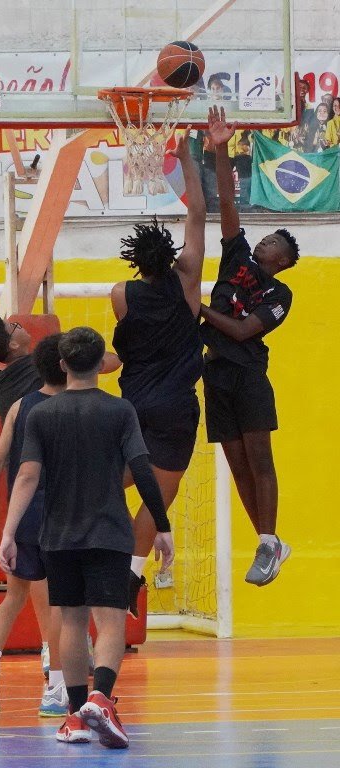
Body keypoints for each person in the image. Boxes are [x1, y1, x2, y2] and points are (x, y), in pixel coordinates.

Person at [0, 327, 174, 750]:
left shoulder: (39, 415)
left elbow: (26, 475)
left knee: (73, 621)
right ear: (101, 365)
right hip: (109, 532)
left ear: (62, 364)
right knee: (109, 620)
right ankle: (102, 697)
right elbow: (143, 469)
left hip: (57, 536)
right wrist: (162, 526)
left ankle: (76, 716)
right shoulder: (120, 411)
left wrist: (8, 531)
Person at [200, 106, 299, 586]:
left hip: (248, 376)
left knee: (260, 459)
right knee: (236, 464)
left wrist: (198, 310)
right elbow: (226, 201)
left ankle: (269, 538)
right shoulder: (235, 255)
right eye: (264, 239)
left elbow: (241, 332)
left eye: (272, 243)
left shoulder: (280, 294)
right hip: (214, 374)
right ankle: (267, 543)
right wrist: (220, 149)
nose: (262, 243)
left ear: (281, 260)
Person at [110, 133, 205, 616]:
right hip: (175, 407)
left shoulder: (121, 293)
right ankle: (127, 579)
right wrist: (187, 158)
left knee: (112, 479)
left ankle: (83, 505)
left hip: (132, 405)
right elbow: (197, 214)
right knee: (156, 500)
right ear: (169, 256)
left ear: (134, 260)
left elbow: (121, 352)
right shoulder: (187, 279)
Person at [0, 334, 68, 718]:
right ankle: (55, 683)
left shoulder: (17, 405)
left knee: (14, 596)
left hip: (18, 514)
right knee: (58, 604)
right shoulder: (73, 407)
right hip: (55, 515)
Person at [0, 318, 120, 421]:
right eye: (14, 326)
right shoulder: (44, 362)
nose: (19, 325)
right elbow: (112, 362)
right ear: (14, 344)